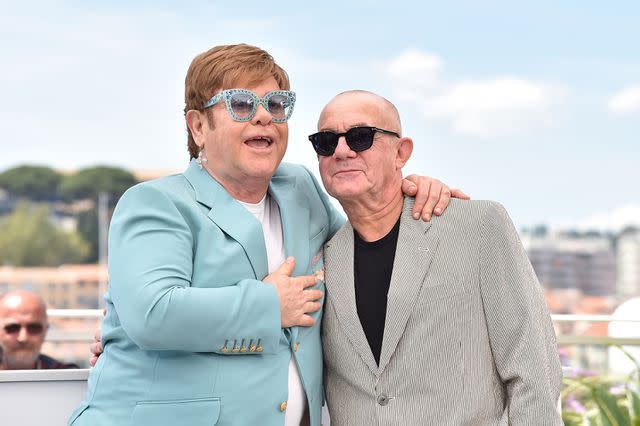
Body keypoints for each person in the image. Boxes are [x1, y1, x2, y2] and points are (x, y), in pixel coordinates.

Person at [70, 44, 465, 426]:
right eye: (240, 104)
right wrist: (270, 305)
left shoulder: (300, 188)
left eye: (276, 104)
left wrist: (407, 187)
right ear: (198, 126)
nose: (264, 117)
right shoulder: (155, 202)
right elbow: (152, 315)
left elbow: (363, 251)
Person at [315, 90, 563, 425]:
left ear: (401, 152)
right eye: (326, 142)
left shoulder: (478, 225)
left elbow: (535, 369)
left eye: (360, 137)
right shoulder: (323, 254)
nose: (342, 151)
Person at [0, 290, 78, 370]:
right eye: (12, 328)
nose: (23, 338)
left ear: (45, 331)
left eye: (34, 328)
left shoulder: (65, 376)